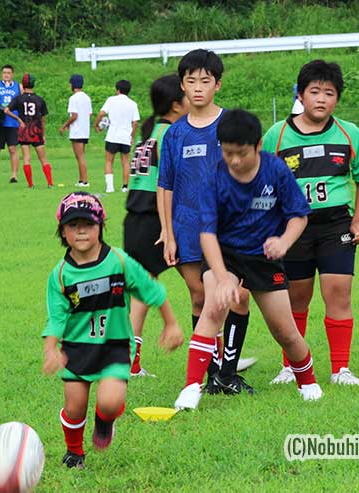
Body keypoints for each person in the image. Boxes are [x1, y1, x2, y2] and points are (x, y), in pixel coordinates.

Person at [174, 109, 321, 410]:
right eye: (228, 153)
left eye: (241, 153)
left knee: (285, 331)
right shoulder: (215, 178)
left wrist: (284, 242)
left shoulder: (276, 171)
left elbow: (299, 217)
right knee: (213, 306)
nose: (235, 161)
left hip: (263, 259)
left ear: (257, 146)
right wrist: (222, 275)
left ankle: (308, 383)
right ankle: (191, 388)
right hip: (224, 254)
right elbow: (207, 234)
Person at [43, 191, 184, 469]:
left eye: (88, 224)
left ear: (101, 225)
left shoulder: (119, 262)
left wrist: (171, 323)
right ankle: (75, 453)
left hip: (114, 346)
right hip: (76, 349)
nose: (81, 230)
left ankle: (104, 421)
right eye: (73, 225)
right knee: (74, 407)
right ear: (62, 231)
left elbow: (151, 290)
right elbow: (56, 318)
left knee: (109, 403)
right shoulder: (60, 275)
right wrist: (51, 348)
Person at [262, 59, 359, 386]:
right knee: (296, 297)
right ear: (300, 94)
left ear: (337, 98)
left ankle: (341, 369)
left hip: (335, 225)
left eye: (329, 93)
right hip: (292, 228)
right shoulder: (277, 134)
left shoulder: (349, 133)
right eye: (314, 91)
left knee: (338, 292)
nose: (322, 99)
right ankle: (291, 366)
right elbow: (263, 182)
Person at [158, 49, 255, 395]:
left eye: (205, 81)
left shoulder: (232, 125)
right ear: (182, 86)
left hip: (229, 228)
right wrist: (167, 233)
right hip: (185, 226)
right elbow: (165, 184)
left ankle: (226, 371)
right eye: (190, 81)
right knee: (200, 298)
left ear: (217, 84)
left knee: (234, 296)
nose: (197, 88)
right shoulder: (174, 135)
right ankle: (214, 372)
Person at [124, 74, 188, 376]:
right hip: (156, 219)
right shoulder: (171, 135)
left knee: (141, 291)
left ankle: (131, 362)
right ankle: (217, 356)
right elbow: (172, 184)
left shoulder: (149, 131)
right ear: (177, 104)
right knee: (203, 284)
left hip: (135, 218)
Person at [4, 73, 54, 188]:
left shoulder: (18, 99)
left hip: (24, 131)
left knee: (26, 158)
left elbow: (6, 110)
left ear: (23, 84)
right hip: (36, 131)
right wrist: (43, 134)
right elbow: (42, 120)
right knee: (43, 158)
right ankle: (50, 183)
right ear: (33, 84)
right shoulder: (40, 100)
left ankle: (30, 184)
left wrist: (18, 120)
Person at [94, 80, 140, 193]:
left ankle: (110, 187)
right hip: (125, 137)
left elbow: (101, 114)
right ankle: (125, 187)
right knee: (125, 162)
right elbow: (135, 123)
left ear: (117, 90)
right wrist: (132, 137)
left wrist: (96, 125)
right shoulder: (133, 104)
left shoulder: (111, 100)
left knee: (109, 161)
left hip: (112, 136)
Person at [0, 64, 23, 183]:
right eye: (4, 73)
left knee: (13, 149)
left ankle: (14, 176)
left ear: (12, 74)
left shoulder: (18, 87)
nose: (6, 75)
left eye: (8, 73)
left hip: (13, 122)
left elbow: (22, 103)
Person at [59, 74, 92, 187]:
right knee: (80, 155)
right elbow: (89, 114)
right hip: (84, 130)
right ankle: (81, 179)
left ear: (73, 84)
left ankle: (84, 180)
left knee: (80, 156)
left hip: (77, 131)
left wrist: (65, 125)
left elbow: (74, 115)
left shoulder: (73, 98)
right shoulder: (87, 97)